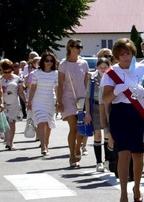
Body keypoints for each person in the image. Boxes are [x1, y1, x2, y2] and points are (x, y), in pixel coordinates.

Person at [102, 38, 144, 202]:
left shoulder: (142, 68)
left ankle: (137, 187)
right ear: (117, 56)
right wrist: (117, 90)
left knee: (138, 153)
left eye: (128, 53)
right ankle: (123, 191)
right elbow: (105, 99)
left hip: (137, 113)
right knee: (123, 153)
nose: (125, 57)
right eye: (122, 54)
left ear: (133, 53)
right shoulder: (111, 73)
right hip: (120, 113)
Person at [57, 39, 90, 168]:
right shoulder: (63, 64)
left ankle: (78, 147)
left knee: (82, 128)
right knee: (74, 127)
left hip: (82, 98)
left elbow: (87, 83)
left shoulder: (84, 63)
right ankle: (72, 155)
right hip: (68, 98)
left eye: (80, 46)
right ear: (70, 48)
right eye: (76, 46)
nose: (79, 49)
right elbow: (60, 85)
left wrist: (89, 99)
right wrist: (59, 102)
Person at [28, 51, 59, 156]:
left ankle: (46, 143)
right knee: (41, 121)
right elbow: (33, 88)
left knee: (48, 123)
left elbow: (57, 89)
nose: (49, 62)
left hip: (50, 100)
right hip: (38, 100)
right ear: (43, 61)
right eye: (47, 60)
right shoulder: (36, 73)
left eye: (51, 61)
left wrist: (59, 101)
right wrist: (29, 101)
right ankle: (43, 146)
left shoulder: (56, 74)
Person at [86, 57, 111, 173]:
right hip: (95, 107)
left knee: (107, 134)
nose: (102, 69)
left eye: (105, 67)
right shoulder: (92, 80)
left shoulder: (111, 79)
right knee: (97, 135)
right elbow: (87, 97)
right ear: (96, 68)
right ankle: (98, 162)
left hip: (108, 107)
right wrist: (87, 113)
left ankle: (107, 160)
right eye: (100, 67)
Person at [0, 59, 26, 151]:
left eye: (9, 71)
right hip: (2, 103)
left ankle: (11, 142)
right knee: (5, 122)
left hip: (14, 102)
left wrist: (26, 101)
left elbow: (21, 92)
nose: (7, 73)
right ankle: (7, 141)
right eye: (5, 71)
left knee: (12, 122)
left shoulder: (17, 78)